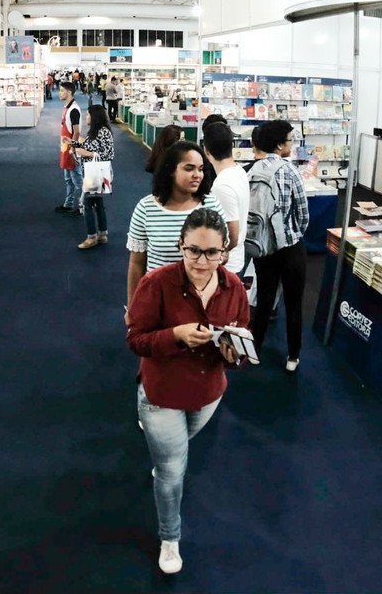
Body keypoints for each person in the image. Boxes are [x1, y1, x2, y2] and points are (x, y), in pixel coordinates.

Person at [127, 207, 250, 575]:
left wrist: (233, 354)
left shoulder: (234, 287)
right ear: (180, 245)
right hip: (162, 393)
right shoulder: (157, 283)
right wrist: (175, 336)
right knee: (171, 472)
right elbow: (136, 339)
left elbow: (242, 335)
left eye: (212, 252)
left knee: (178, 451)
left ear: (225, 251)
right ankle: (170, 537)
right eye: (193, 250)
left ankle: (167, 456)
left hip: (208, 391)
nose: (202, 260)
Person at [126, 141, 226, 317]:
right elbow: (136, 264)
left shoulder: (211, 205)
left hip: (202, 302)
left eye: (201, 169)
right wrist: (133, 306)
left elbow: (223, 253)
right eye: (189, 168)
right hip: (158, 299)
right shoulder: (146, 208)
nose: (197, 175)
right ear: (171, 170)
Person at [250, 120, 309, 372]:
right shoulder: (291, 171)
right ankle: (293, 356)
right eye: (289, 140)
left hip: (263, 246)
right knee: (294, 302)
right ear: (279, 144)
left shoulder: (252, 170)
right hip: (290, 247)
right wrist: (293, 233)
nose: (291, 144)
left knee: (264, 299)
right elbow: (304, 213)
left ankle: (255, 349)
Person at [202, 122, 250, 275]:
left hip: (227, 264)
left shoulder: (221, 186)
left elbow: (232, 235)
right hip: (236, 258)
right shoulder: (239, 171)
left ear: (206, 150)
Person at [73, 104, 114, 249]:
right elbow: (90, 146)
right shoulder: (97, 132)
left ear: (95, 116)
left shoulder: (102, 132)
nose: (86, 117)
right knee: (98, 203)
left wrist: (86, 153)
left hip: (94, 175)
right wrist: (73, 143)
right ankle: (102, 234)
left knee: (88, 204)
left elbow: (108, 154)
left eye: (88, 115)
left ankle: (91, 237)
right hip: (94, 173)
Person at [56, 81, 83, 216]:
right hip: (65, 147)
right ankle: (69, 203)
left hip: (71, 149)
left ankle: (83, 206)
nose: (59, 93)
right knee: (68, 178)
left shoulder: (73, 110)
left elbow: (76, 131)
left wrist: (73, 148)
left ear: (69, 92)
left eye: (61, 90)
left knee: (77, 179)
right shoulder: (67, 107)